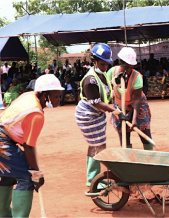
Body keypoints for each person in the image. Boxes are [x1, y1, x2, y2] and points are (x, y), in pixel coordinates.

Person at [0, 74, 64, 217]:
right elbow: (28, 147)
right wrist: (36, 173)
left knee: (8, 175)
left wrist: (35, 170)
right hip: (3, 141)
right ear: (45, 95)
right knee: (26, 176)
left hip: (4, 137)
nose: (59, 100)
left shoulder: (29, 96)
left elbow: (28, 144)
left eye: (60, 96)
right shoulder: (36, 114)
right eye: (56, 96)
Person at [75, 43, 127, 188]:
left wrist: (116, 81)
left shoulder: (101, 74)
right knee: (98, 145)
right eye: (102, 64)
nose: (105, 67)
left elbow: (106, 86)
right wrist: (115, 111)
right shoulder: (89, 80)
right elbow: (97, 102)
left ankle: (93, 178)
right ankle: (93, 180)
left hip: (96, 115)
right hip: (88, 115)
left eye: (106, 64)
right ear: (94, 61)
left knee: (96, 145)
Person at [107, 47, 153, 150]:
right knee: (124, 135)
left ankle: (149, 158)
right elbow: (106, 88)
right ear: (120, 62)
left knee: (144, 132)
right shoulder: (112, 72)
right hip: (119, 106)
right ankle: (128, 159)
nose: (128, 70)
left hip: (138, 106)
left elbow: (137, 100)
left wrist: (134, 120)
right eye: (125, 66)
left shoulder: (137, 77)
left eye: (130, 67)